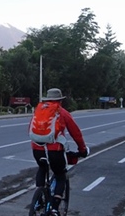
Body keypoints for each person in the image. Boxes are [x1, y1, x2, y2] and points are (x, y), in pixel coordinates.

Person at [30, 88, 88, 216]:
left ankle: (38, 199)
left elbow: (31, 129)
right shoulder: (62, 112)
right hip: (54, 151)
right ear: (60, 101)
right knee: (60, 175)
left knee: (42, 167)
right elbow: (76, 133)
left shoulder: (38, 110)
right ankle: (55, 208)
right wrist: (82, 150)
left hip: (37, 149)